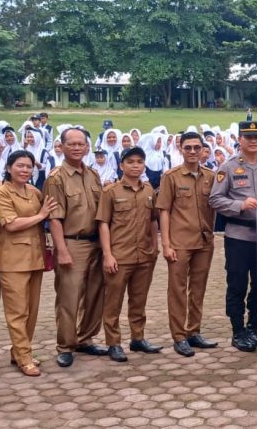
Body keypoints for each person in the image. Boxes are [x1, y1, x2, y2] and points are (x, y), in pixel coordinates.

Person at [209, 120, 257, 352]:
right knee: (237, 283)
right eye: (249, 137)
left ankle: (254, 326)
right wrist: (240, 204)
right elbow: (215, 199)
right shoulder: (227, 168)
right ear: (240, 139)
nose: (254, 141)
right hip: (238, 234)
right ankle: (237, 330)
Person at [44, 127, 108, 368]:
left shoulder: (93, 174)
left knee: (94, 295)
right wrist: (61, 250)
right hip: (71, 242)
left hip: (95, 243)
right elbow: (54, 218)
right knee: (69, 298)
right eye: (71, 144)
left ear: (88, 146)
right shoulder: (56, 177)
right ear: (61, 147)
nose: (77, 147)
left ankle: (85, 338)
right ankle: (65, 345)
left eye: (81, 143)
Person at [0, 149, 57, 377]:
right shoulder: (1, 193)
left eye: (28, 166)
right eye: (19, 166)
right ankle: (24, 356)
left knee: (31, 310)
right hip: (13, 260)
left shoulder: (33, 191)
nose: (24, 170)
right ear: (9, 168)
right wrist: (40, 216)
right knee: (17, 312)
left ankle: (19, 351)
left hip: (35, 257)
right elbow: (9, 224)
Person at [97, 146, 162, 362]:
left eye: (139, 162)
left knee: (138, 300)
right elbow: (104, 224)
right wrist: (107, 254)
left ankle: (138, 338)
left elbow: (153, 220)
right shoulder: (110, 192)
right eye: (131, 162)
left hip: (144, 255)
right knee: (113, 302)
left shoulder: (149, 191)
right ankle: (113, 343)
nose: (135, 166)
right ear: (121, 165)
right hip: (119, 256)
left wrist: (155, 246)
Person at [158, 131, 218, 357]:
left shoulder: (211, 176)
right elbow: (163, 211)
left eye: (196, 147)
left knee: (198, 289)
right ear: (180, 149)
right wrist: (166, 244)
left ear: (203, 150)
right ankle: (179, 336)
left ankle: (194, 331)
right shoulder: (171, 177)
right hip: (179, 242)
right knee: (177, 290)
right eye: (188, 148)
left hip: (204, 242)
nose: (193, 152)